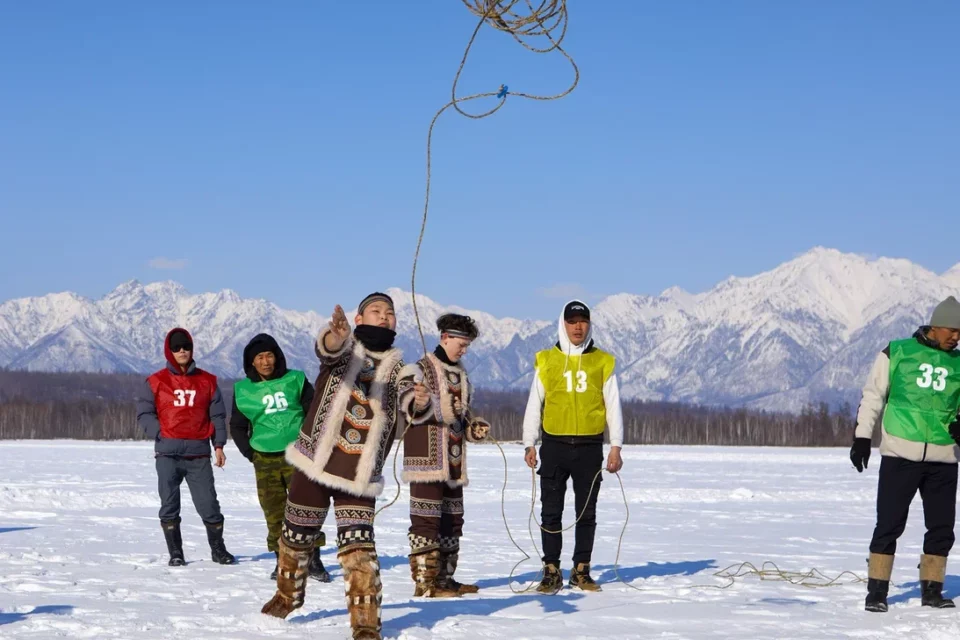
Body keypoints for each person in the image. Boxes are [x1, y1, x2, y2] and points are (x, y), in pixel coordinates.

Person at [260, 292, 428, 640]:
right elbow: (328, 349)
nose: (385, 317)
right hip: (315, 463)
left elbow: (412, 401)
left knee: (359, 550)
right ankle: (287, 595)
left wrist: (420, 400)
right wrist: (336, 335)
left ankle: (366, 624)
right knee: (294, 538)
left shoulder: (403, 370)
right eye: (377, 311)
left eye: (390, 313)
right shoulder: (346, 352)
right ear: (360, 317)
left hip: (358, 476)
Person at [850, 295, 960, 613]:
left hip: (944, 458)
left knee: (941, 528)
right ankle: (877, 592)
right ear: (936, 327)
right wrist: (861, 437)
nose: (957, 337)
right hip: (900, 454)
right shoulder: (897, 352)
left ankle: (932, 590)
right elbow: (873, 395)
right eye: (953, 330)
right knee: (889, 525)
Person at [521, 300, 624, 594]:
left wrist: (616, 445)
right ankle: (551, 570)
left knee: (586, 512)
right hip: (554, 445)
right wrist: (530, 442)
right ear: (562, 323)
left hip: (590, 447)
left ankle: (582, 570)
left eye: (583, 320)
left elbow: (613, 405)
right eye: (572, 321)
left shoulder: (603, 361)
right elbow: (534, 404)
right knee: (550, 512)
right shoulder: (547, 360)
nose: (578, 326)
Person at [401, 313, 491, 598]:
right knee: (426, 521)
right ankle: (425, 583)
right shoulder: (418, 369)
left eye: (467, 345)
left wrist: (471, 429)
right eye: (461, 344)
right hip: (426, 458)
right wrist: (428, 403)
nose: (464, 350)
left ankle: (445, 579)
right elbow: (409, 409)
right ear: (444, 337)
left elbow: (459, 418)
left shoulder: (461, 374)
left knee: (452, 520)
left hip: (453, 461)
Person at [230, 333, 330, 582]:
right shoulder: (243, 390)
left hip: (298, 456)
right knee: (274, 512)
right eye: (260, 357)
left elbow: (313, 411)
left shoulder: (294, 379)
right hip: (264, 459)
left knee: (306, 509)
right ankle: (282, 560)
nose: (266, 362)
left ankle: (313, 559)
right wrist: (250, 453)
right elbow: (237, 426)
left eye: (269, 355)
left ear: (277, 356)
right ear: (251, 362)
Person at [136, 327, 236, 567]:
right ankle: (176, 553)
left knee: (209, 504)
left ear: (192, 349)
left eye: (186, 346)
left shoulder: (207, 381)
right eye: (177, 347)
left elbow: (218, 416)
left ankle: (218, 549)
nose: (182, 351)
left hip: (198, 454)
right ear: (169, 351)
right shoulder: (156, 381)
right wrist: (160, 433)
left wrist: (219, 446)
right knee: (169, 505)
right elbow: (144, 413)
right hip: (167, 454)